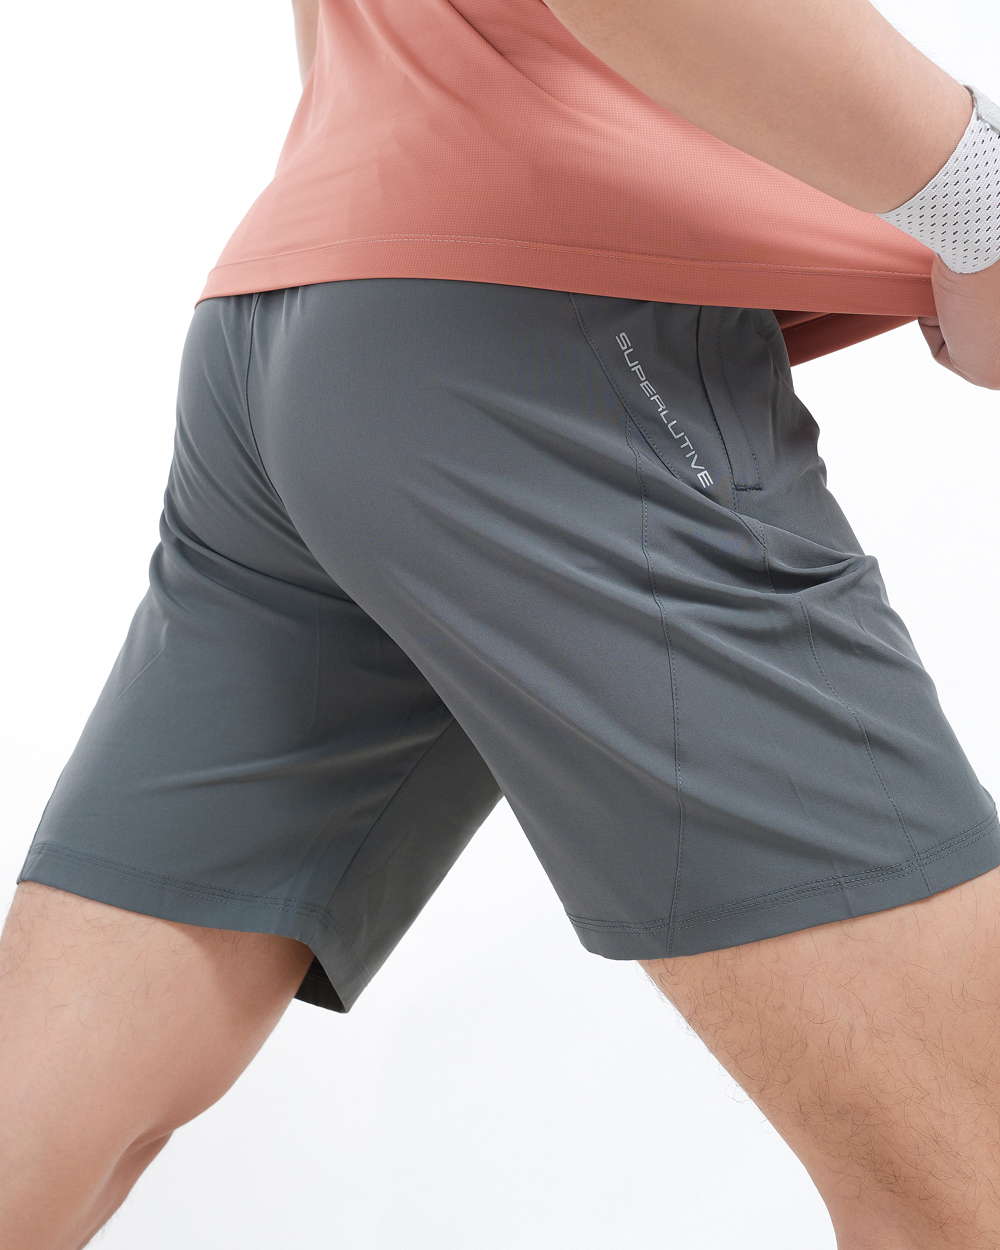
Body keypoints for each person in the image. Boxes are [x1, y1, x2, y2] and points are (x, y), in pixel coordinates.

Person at [2, 0, 999, 1246]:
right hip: (539, 333)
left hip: (312, 299)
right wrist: (982, 207)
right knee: (969, 1167)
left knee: (45, 1128)